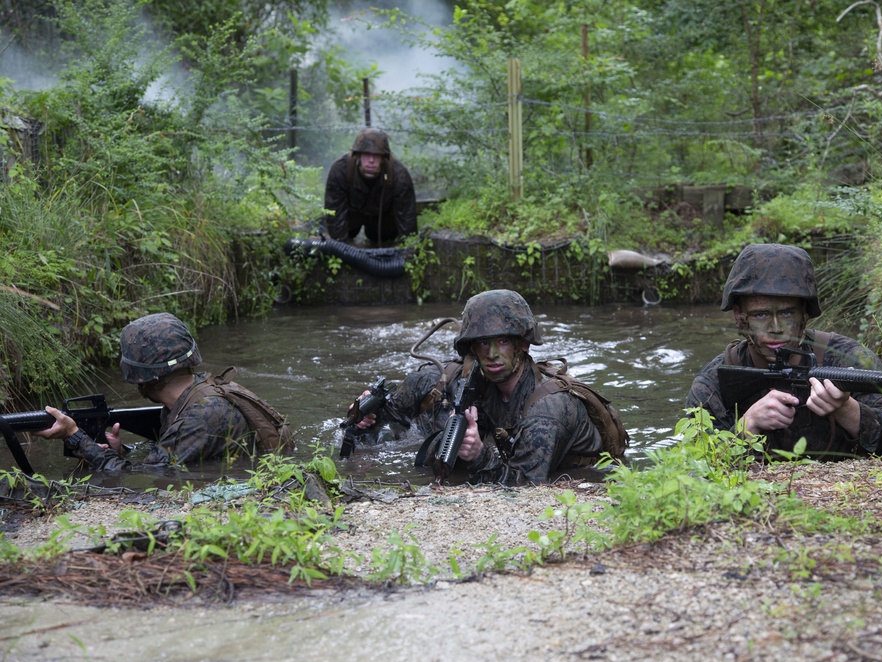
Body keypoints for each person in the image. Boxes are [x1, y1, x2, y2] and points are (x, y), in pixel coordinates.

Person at [352, 290, 613, 485]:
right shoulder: (473, 382)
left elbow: (527, 488)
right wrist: (368, 416)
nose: (491, 355)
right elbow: (392, 416)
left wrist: (478, 455)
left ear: (523, 345)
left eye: (502, 342)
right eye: (483, 344)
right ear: (472, 350)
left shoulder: (549, 409)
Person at [686, 243, 882, 459]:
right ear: (739, 316)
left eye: (787, 314)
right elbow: (695, 464)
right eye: (761, 315)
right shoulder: (714, 381)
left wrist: (848, 411)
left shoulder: (847, 359)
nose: (776, 329)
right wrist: (747, 426)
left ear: (804, 314)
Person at [35, 312, 289, 472]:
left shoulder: (202, 416)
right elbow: (170, 453)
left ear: (143, 377)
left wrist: (75, 436)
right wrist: (122, 452)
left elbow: (130, 477)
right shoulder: (196, 393)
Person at [323, 127, 418, 245]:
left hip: (381, 220)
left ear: (383, 158)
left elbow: (407, 220)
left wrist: (409, 251)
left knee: (382, 236)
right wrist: (341, 251)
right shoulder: (341, 170)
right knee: (339, 231)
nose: (371, 160)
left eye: (377, 155)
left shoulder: (399, 176)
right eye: (366, 154)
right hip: (351, 217)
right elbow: (334, 212)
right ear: (358, 155)